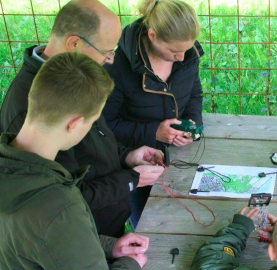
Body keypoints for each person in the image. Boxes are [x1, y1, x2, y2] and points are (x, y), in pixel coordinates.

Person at [0, 0, 165, 237]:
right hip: (82, 236)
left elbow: (95, 142)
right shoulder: (31, 109)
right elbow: (68, 195)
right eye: (106, 52)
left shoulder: (75, 77)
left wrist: (127, 156)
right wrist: (131, 179)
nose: (110, 60)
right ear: (74, 43)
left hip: (107, 229)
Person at [0, 52, 149, 269]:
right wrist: (130, 263)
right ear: (75, 124)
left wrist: (108, 245)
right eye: (93, 121)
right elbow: (56, 229)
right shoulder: (60, 206)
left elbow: (43, 242)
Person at [102, 0, 204, 227]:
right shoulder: (117, 66)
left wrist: (191, 122)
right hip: (136, 163)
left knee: (189, 222)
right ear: (152, 35)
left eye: (186, 50)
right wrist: (154, 132)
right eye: (174, 51)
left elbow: (194, 94)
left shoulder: (188, 54)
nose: (181, 57)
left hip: (182, 157)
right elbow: (104, 125)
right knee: (148, 226)